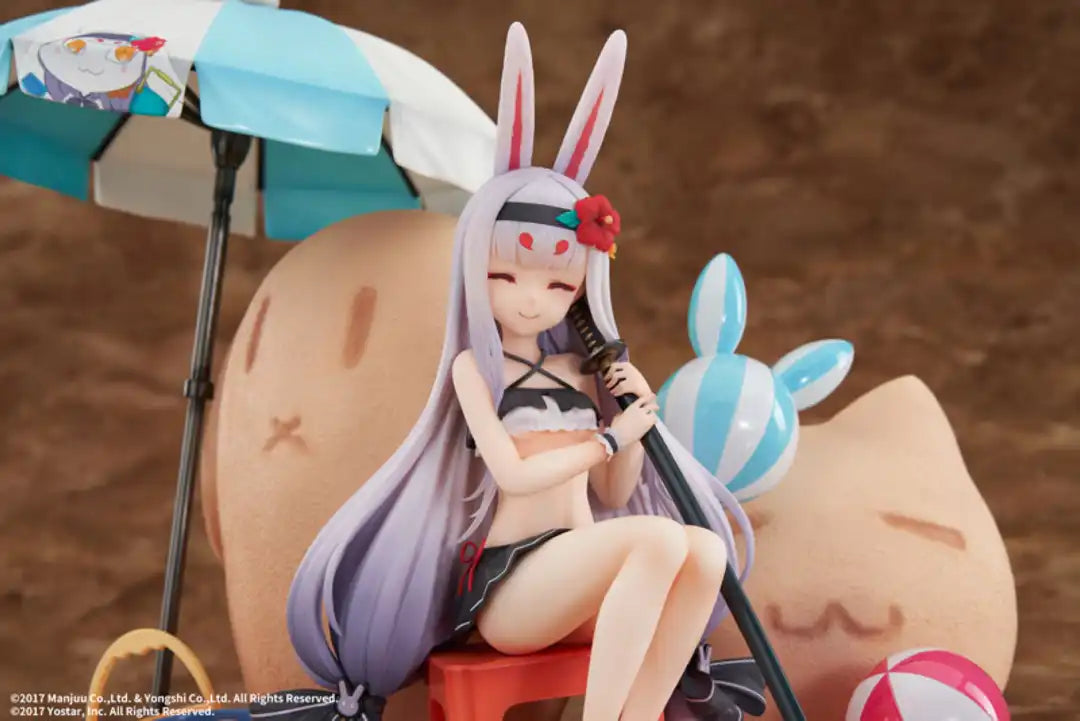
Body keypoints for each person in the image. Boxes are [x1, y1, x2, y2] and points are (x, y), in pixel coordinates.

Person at [261, 23, 766, 721]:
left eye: (557, 285)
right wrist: (608, 439)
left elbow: (614, 491)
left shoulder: (580, 369)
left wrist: (634, 421)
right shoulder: (477, 369)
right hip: (516, 584)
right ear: (477, 271)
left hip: (586, 575)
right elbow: (513, 473)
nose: (532, 299)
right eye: (508, 276)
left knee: (703, 550)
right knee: (656, 540)